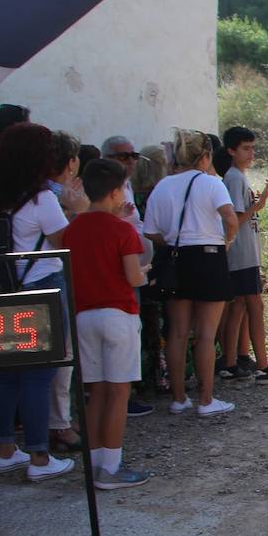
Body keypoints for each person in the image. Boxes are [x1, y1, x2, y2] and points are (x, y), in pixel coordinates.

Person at [0, 124, 76, 482]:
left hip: (4, 286)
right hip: (42, 285)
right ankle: (40, 456)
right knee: (40, 374)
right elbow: (65, 241)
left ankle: (4, 449)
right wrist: (76, 209)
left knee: (6, 373)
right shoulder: (41, 199)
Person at [63, 158, 151, 489]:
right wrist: (143, 273)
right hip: (118, 314)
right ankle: (111, 468)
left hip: (83, 315)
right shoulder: (122, 229)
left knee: (95, 391)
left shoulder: (72, 229)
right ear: (116, 192)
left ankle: (95, 462)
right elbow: (131, 276)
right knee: (118, 392)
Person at [142, 130, 238, 417]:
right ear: (205, 156)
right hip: (208, 257)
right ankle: (206, 399)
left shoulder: (163, 187)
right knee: (206, 334)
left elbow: (150, 231)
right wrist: (226, 241)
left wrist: (172, 243)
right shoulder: (210, 184)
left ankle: (179, 397)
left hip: (176, 258)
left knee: (177, 332)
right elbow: (230, 219)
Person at [219, 126, 268, 384]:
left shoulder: (237, 177)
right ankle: (262, 365)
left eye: (252, 148)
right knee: (255, 306)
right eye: (245, 148)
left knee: (238, 307)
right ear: (231, 150)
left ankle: (231, 363)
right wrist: (257, 205)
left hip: (243, 252)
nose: (251, 153)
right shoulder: (234, 177)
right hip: (241, 253)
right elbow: (235, 218)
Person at [101, 135, 156, 417]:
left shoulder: (127, 185)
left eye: (133, 156)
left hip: (134, 263)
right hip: (122, 270)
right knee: (122, 335)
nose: (131, 161)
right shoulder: (107, 191)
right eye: (123, 157)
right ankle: (122, 395)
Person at [46, 131, 86, 450]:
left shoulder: (21, 192)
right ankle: (59, 423)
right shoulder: (53, 196)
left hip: (39, 281)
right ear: (71, 163)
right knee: (62, 356)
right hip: (51, 281)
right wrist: (80, 210)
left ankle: (59, 419)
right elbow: (67, 241)